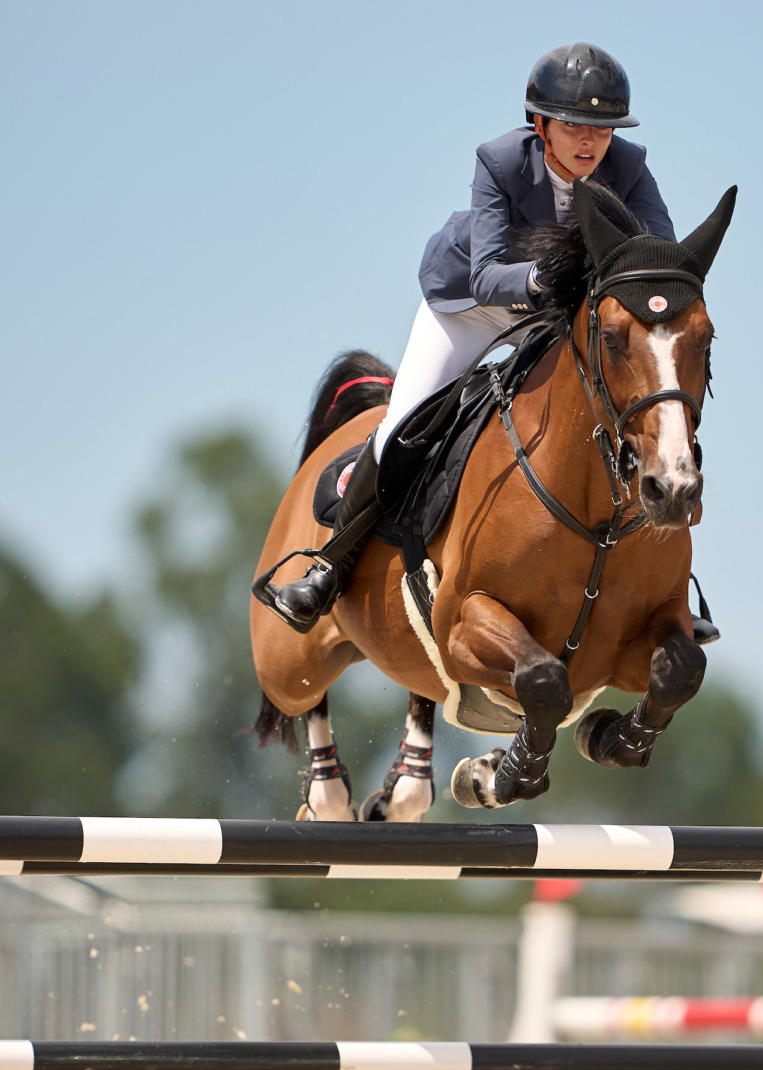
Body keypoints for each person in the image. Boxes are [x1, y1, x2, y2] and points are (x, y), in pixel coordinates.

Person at [267, 42, 677, 632]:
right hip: (471, 305)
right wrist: (545, 277)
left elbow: (657, 254)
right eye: (574, 126)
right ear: (540, 125)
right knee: (402, 430)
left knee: (630, 415)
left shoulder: (629, 167)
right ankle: (328, 567)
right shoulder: (500, 161)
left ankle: (665, 590)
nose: (591, 142)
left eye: (603, 129)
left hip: (555, 317)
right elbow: (486, 274)